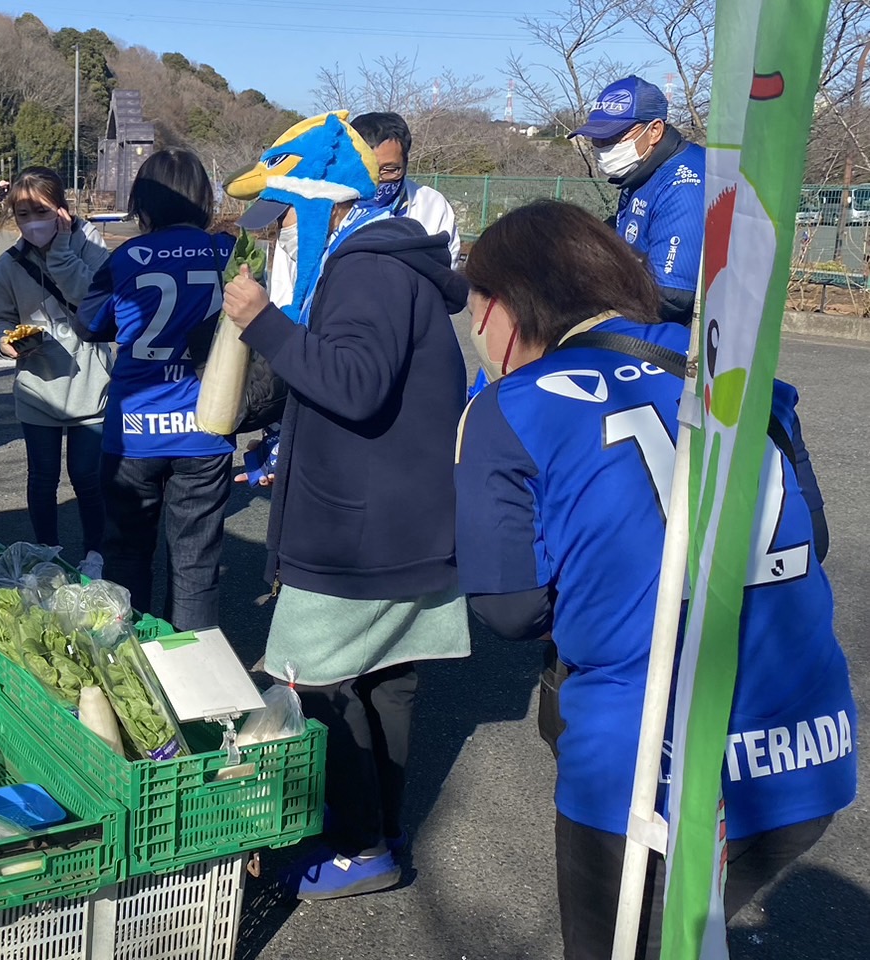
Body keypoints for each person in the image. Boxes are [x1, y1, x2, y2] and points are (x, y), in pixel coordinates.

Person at [454, 200, 855, 960]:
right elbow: (816, 537)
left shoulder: (509, 407)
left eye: (476, 304)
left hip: (641, 764)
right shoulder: (732, 366)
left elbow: (510, 608)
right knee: (692, 930)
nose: (474, 324)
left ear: (505, 305)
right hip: (804, 743)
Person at [220, 111, 471, 900]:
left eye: (285, 218)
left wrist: (261, 324)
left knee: (318, 681)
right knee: (385, 682)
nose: (279, 237)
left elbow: (354, 385)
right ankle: (380, 830)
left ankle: (359, 847)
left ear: (323, 203)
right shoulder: (387, 260)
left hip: (356, 530)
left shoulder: (364, 270)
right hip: (404, 518)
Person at [78, 148, 234, 630]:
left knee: (126, 557)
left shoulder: (126, 257)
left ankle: (132, 660)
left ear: (143, 202)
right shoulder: (228, 251)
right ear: (203, 199)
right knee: (195, 567)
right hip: (207, 422)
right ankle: (191, 665)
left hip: (134, 429)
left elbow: (89, 324)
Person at [0, 166, 112, 575]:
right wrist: (4, 343)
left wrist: (60, 251)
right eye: (22, 214)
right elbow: (0, 319)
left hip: (91, 384)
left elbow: (94, 299)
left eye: (40, 212)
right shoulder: (9, 265)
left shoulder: (91, 246)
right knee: (42, 477)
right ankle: (46, 554)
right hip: (37, 386)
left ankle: (95, 554)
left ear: (61, 209)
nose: (32, 222)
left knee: (87, 477)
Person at [574, 75, 704, 325]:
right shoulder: (642, 169)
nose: (602, 147)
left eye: (613, 137)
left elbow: (671, 296)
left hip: (681, 335)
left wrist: (589, 299)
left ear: (654, 130)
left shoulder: (684, 183)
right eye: (596, 139)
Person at [349, 112, 459, 265]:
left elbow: (445, 268)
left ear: (405, 164)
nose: (376, 179)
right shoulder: (329, 205)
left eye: (389, 169)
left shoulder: (432, 206)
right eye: (366, 169)